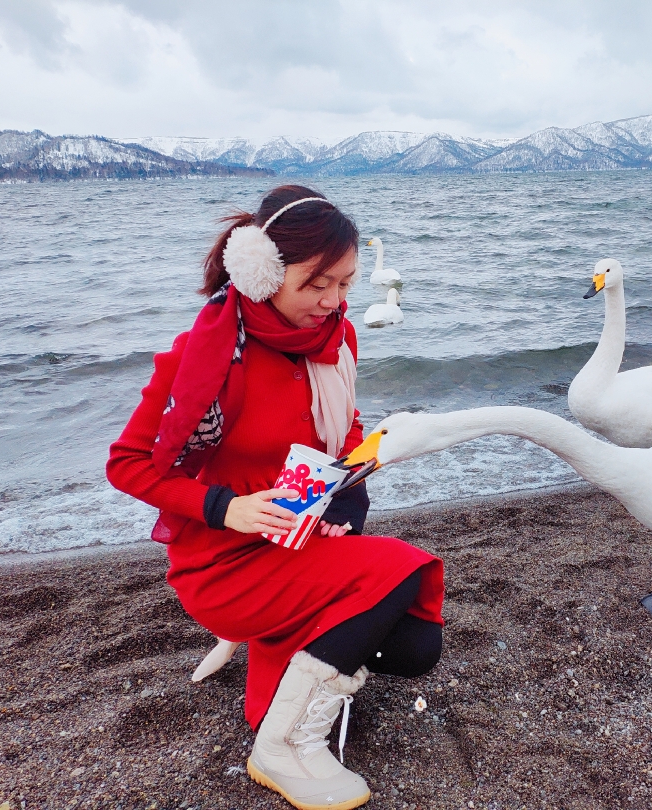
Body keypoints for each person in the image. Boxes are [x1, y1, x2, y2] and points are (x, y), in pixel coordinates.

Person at [107, 185, 444, 810]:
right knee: (405, 569)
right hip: (221, 560)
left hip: (299, 532)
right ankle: (280, 747)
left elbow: (344, 433)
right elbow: (126, 465)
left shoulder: (335, 343)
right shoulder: (203, 358)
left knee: (416, 648)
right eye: (317, 284)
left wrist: (343, 511)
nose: (334, 302)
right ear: (262, 271)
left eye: (344, 284)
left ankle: (282, 644)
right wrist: (225, 507)